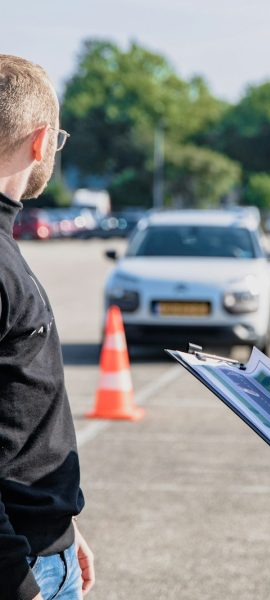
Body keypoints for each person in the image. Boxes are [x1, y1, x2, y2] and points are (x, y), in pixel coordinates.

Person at [0, 55, 94, 599]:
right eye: (56, 141)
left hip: (43, 544)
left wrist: (63, 527)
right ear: (40, 143)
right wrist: (18, 579)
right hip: (22, 567)